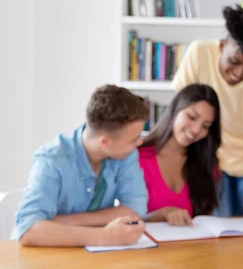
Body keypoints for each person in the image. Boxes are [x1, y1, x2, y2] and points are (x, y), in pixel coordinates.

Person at [172, 5, 243, 217]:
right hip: (209, 158)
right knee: (217, 229)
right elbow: (179, 107)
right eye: (234, 62)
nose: (239, 74)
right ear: (222, 45)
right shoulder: (199, 52)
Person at [12, 85, 149, 247]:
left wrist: (65, 221)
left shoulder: (125, 154)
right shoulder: (51, 160)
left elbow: (136, 208)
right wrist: (104, 236)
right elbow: (28, 230)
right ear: (104, 142)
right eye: (133, 139)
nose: (139, 143)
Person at [139, 84, 221, 226]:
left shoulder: (206, 163)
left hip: (190, 246)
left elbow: (204, 220)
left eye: (205, 126)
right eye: (192, 117)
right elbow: (124, 220)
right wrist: (161, 215)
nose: (196, 130)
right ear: (176, 110)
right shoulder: (138, 156)